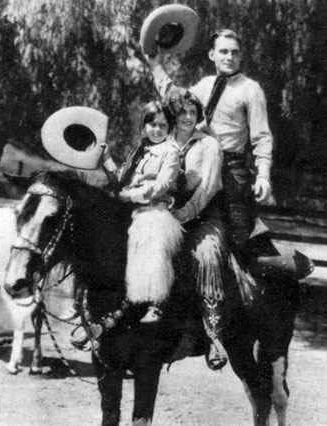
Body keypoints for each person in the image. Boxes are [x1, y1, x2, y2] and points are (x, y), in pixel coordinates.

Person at [145, 28, 273, 267]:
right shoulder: (204, 85)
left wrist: (263, 174)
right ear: (211, 54)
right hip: (197, 163)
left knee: (239, 236)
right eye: (223, 51)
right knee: (169, 220)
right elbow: (175, 100)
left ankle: (248, 293)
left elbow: (262, 136)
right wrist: (156, 66)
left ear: (241, 56)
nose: (229, 57)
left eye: (235, 52)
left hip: (232, 171)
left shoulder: (250, 89)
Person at [165, 88, 255, 369]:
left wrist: (184, 213)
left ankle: (213, 335)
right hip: (165, 214)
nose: (188, 118)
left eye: (193, 113)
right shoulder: (162, 142)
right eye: (182, 113)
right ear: (173, 116)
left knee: (207, 254)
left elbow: (208, 187)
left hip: (204, 218)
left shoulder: (208, 145)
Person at [118, 100, 183, 323]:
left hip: (155, 209)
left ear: (170, 129)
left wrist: (131, 195)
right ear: (144, 126)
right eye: (152, 124)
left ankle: (157, 303)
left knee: (154, 239)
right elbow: (120, 179)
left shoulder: (170, 152)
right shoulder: (138, 152)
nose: (156, 130)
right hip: (133, 210)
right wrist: (106, 160)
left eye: (162, 126)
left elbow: (162, 184)